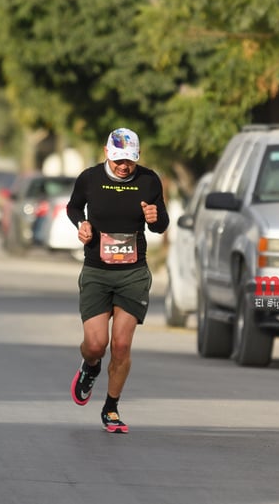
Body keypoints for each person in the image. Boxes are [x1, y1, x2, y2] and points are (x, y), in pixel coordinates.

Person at [66, 127, 169, 433]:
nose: (124, 166)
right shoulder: (90, 178)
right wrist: (81, 224)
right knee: (97, 344)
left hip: (133, 274)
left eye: (130, 160)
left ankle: (111, 407)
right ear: (107, 153)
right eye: (119, 159)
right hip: (97, 272)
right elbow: (73, 206)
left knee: (121, 345)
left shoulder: (149, 180)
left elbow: (160, 224)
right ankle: (90, 367)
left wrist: (155, 217)